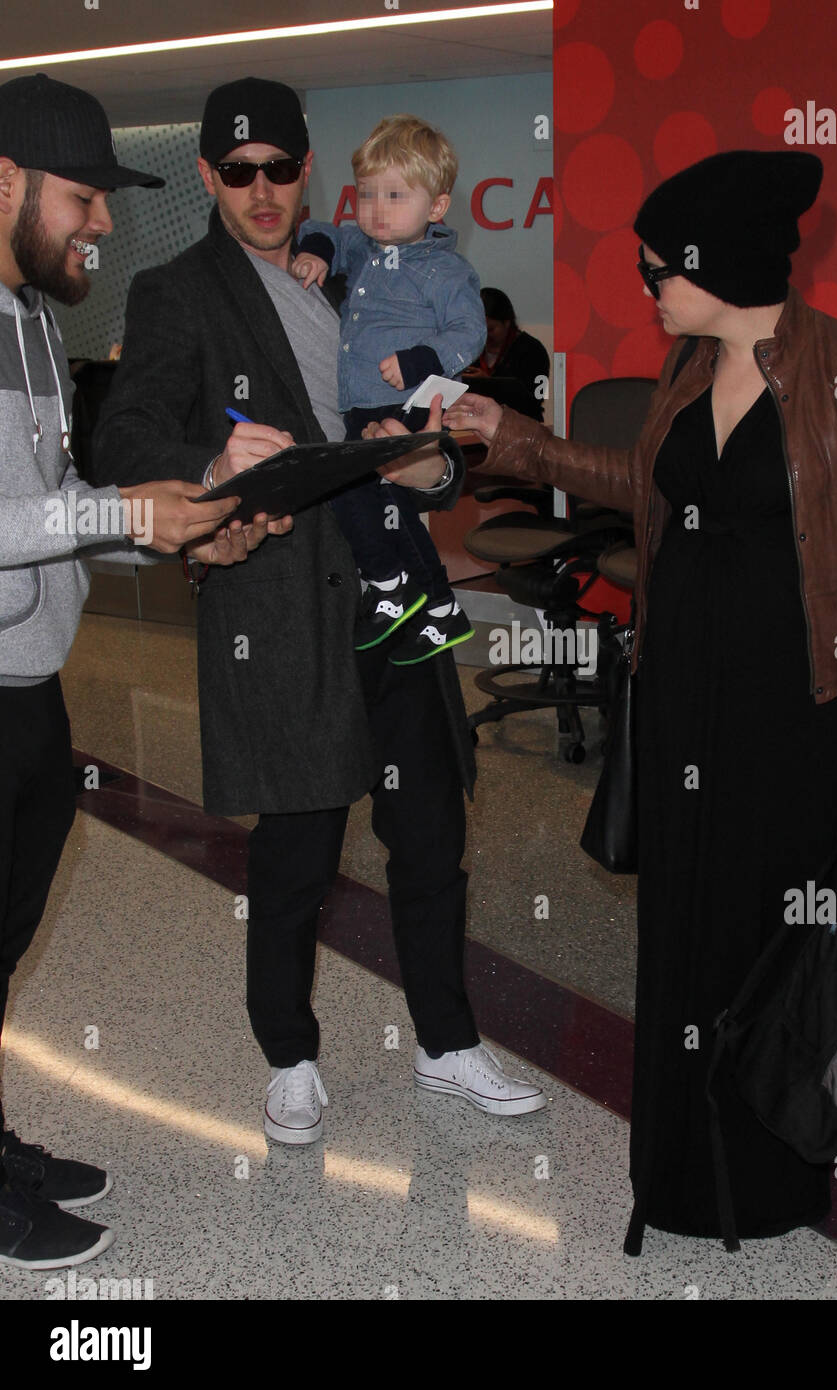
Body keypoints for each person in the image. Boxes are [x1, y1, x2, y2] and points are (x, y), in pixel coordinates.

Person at [441, 150, 837, 1250]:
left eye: (658, 267)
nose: (647, 285)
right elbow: (642, 485)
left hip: (800, 715)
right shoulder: (685, 371)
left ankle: (766, 1180)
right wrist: (511, 441)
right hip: (678, 703)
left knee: (778, 946)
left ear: (718, 262)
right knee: (681, 936)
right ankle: (676, 1171)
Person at [94, 78, 545, 1151]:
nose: (260, 190)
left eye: (280, 170)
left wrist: (435, 467)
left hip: (394, 601)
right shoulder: (175, 291)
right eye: (237, 172)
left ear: (309, 173)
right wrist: (210, 464)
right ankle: (288, 1055)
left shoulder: (365, 270)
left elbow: (420, 443)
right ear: (207, 175)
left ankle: (444, 1040)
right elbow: (121, 447)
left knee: (429, 830)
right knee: (296, 847)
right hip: (280, 608)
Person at [0, 72, 275, 1270]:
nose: (104, 224)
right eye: (82, 197)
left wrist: (178, 516)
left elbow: (50, 507)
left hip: (28, 682)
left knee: (6, 937)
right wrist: (127, 510)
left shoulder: (34, 323)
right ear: (3, 182)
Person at [291, 115, 484, 663]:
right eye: (366, 194)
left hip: (400, 404)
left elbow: (470, 333)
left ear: (437, 207)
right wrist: (320, 254)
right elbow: (322, 231)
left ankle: (386, 582)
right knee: (391, 507)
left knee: (352, 491)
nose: (375, 209)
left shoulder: (444, 271)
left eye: (395, 196)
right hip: (361, 401)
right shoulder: (363, 245)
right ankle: (442, 610)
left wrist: (423, 358)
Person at [463, 287, 550, 422]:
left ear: (507, 322)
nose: (485, 336)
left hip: (521, 427)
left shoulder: (533, 350)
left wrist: (488, 383)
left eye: (490, 329)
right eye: (479, 330)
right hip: (476, 425)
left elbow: (535, 400)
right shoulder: (470, 348)